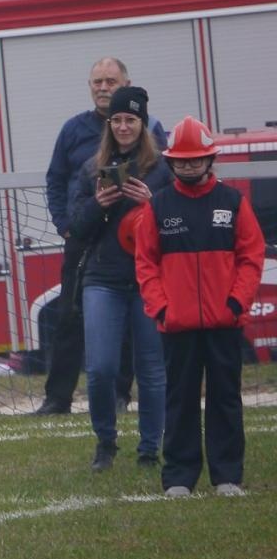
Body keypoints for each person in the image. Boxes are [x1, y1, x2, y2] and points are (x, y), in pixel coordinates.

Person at [133, 116, 265, 497]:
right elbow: (145, 263)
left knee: (226, 397)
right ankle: (178, 477)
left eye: (196, 159)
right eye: (182, 160)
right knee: (180, 399)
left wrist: (236, 302)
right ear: (171, 162)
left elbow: (251, 256)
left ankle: (227, 476)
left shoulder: (233, 202)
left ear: (211, 160)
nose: (189, 165)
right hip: (177, 325)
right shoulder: (157, 207)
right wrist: (162, 310)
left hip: (225, 322)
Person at [35, 57, 166, 414]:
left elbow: (166, 182)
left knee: (125, 322)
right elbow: (56, 179)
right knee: (68, 316)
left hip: (131, 246)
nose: (104, 87)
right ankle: (57, 398)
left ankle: (120, 395)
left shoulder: (152, 129)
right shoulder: (73, 130)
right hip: (85, 237)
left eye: (111, 80)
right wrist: (65, 223)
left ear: (126, 83)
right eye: (97, 82)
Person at [65, 86, 170, 472]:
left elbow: (177, 224)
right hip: (102, 279)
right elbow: (76, 228)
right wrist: (98, 204)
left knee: (152, 369)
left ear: (143, 124)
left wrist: (151, 203)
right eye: (118, 120)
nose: (124, 126)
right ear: (110, 125)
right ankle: (105, 443)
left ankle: (149, 450)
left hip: (148, 280)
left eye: (131, 119)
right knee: (101, 368)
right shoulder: (93, 168)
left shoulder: (162, 169)